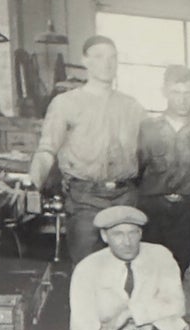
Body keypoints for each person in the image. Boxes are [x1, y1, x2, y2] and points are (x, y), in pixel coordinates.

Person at [28, 35, 144, 262]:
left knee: (126, 269)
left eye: (113, 57)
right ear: (85, 61)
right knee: (87, 269)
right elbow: (46, 150)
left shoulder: (132, 106)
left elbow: (151, 151)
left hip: (125, 197)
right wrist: (32, 186)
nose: (107, 63)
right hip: (84, 199)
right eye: (99, 57)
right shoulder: (65, 104)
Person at [138, 65, 190, 270]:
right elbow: (134, 176)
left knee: (186, 272)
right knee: (151, 272)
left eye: (188, 93)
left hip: (188, 215)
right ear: (164, 92)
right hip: (152, 214)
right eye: (176, 93)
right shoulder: (147, 129)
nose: (182, 99)